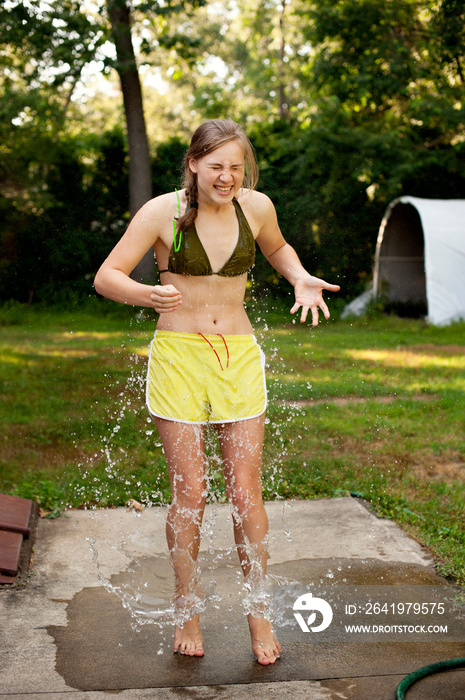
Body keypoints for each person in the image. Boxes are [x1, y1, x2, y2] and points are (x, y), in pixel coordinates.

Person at [94, 118, 339, 665]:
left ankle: (258, 609)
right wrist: (146, 294)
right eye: (216, 166)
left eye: (236, 167)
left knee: (245, 493)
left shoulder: (257, 207)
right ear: (194, 164)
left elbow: (279, 250)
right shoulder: (161, 212)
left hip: (239, 358)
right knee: (193, 493)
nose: (227, 176)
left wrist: (298, 275)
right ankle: (187, 606)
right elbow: (107, 275)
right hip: (179, 358)